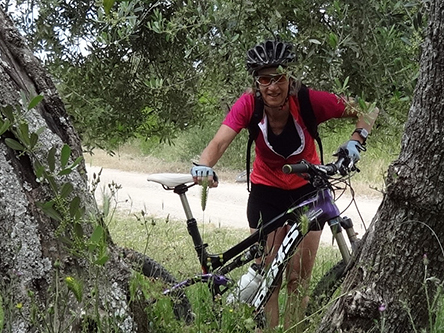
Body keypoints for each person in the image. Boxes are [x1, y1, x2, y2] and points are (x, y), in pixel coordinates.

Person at [191, 39, 379, 330]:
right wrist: (204, 166)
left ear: (289, 78)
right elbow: (219, 142)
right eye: (265, 79)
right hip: (267, 192)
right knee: (271, 278)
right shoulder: (249, 104)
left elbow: (369, 110)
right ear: (257, 82)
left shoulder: (308, 100)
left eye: (278, 77)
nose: (273, 86)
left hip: (308, 188)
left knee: (298, 282)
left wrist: (356, 142)